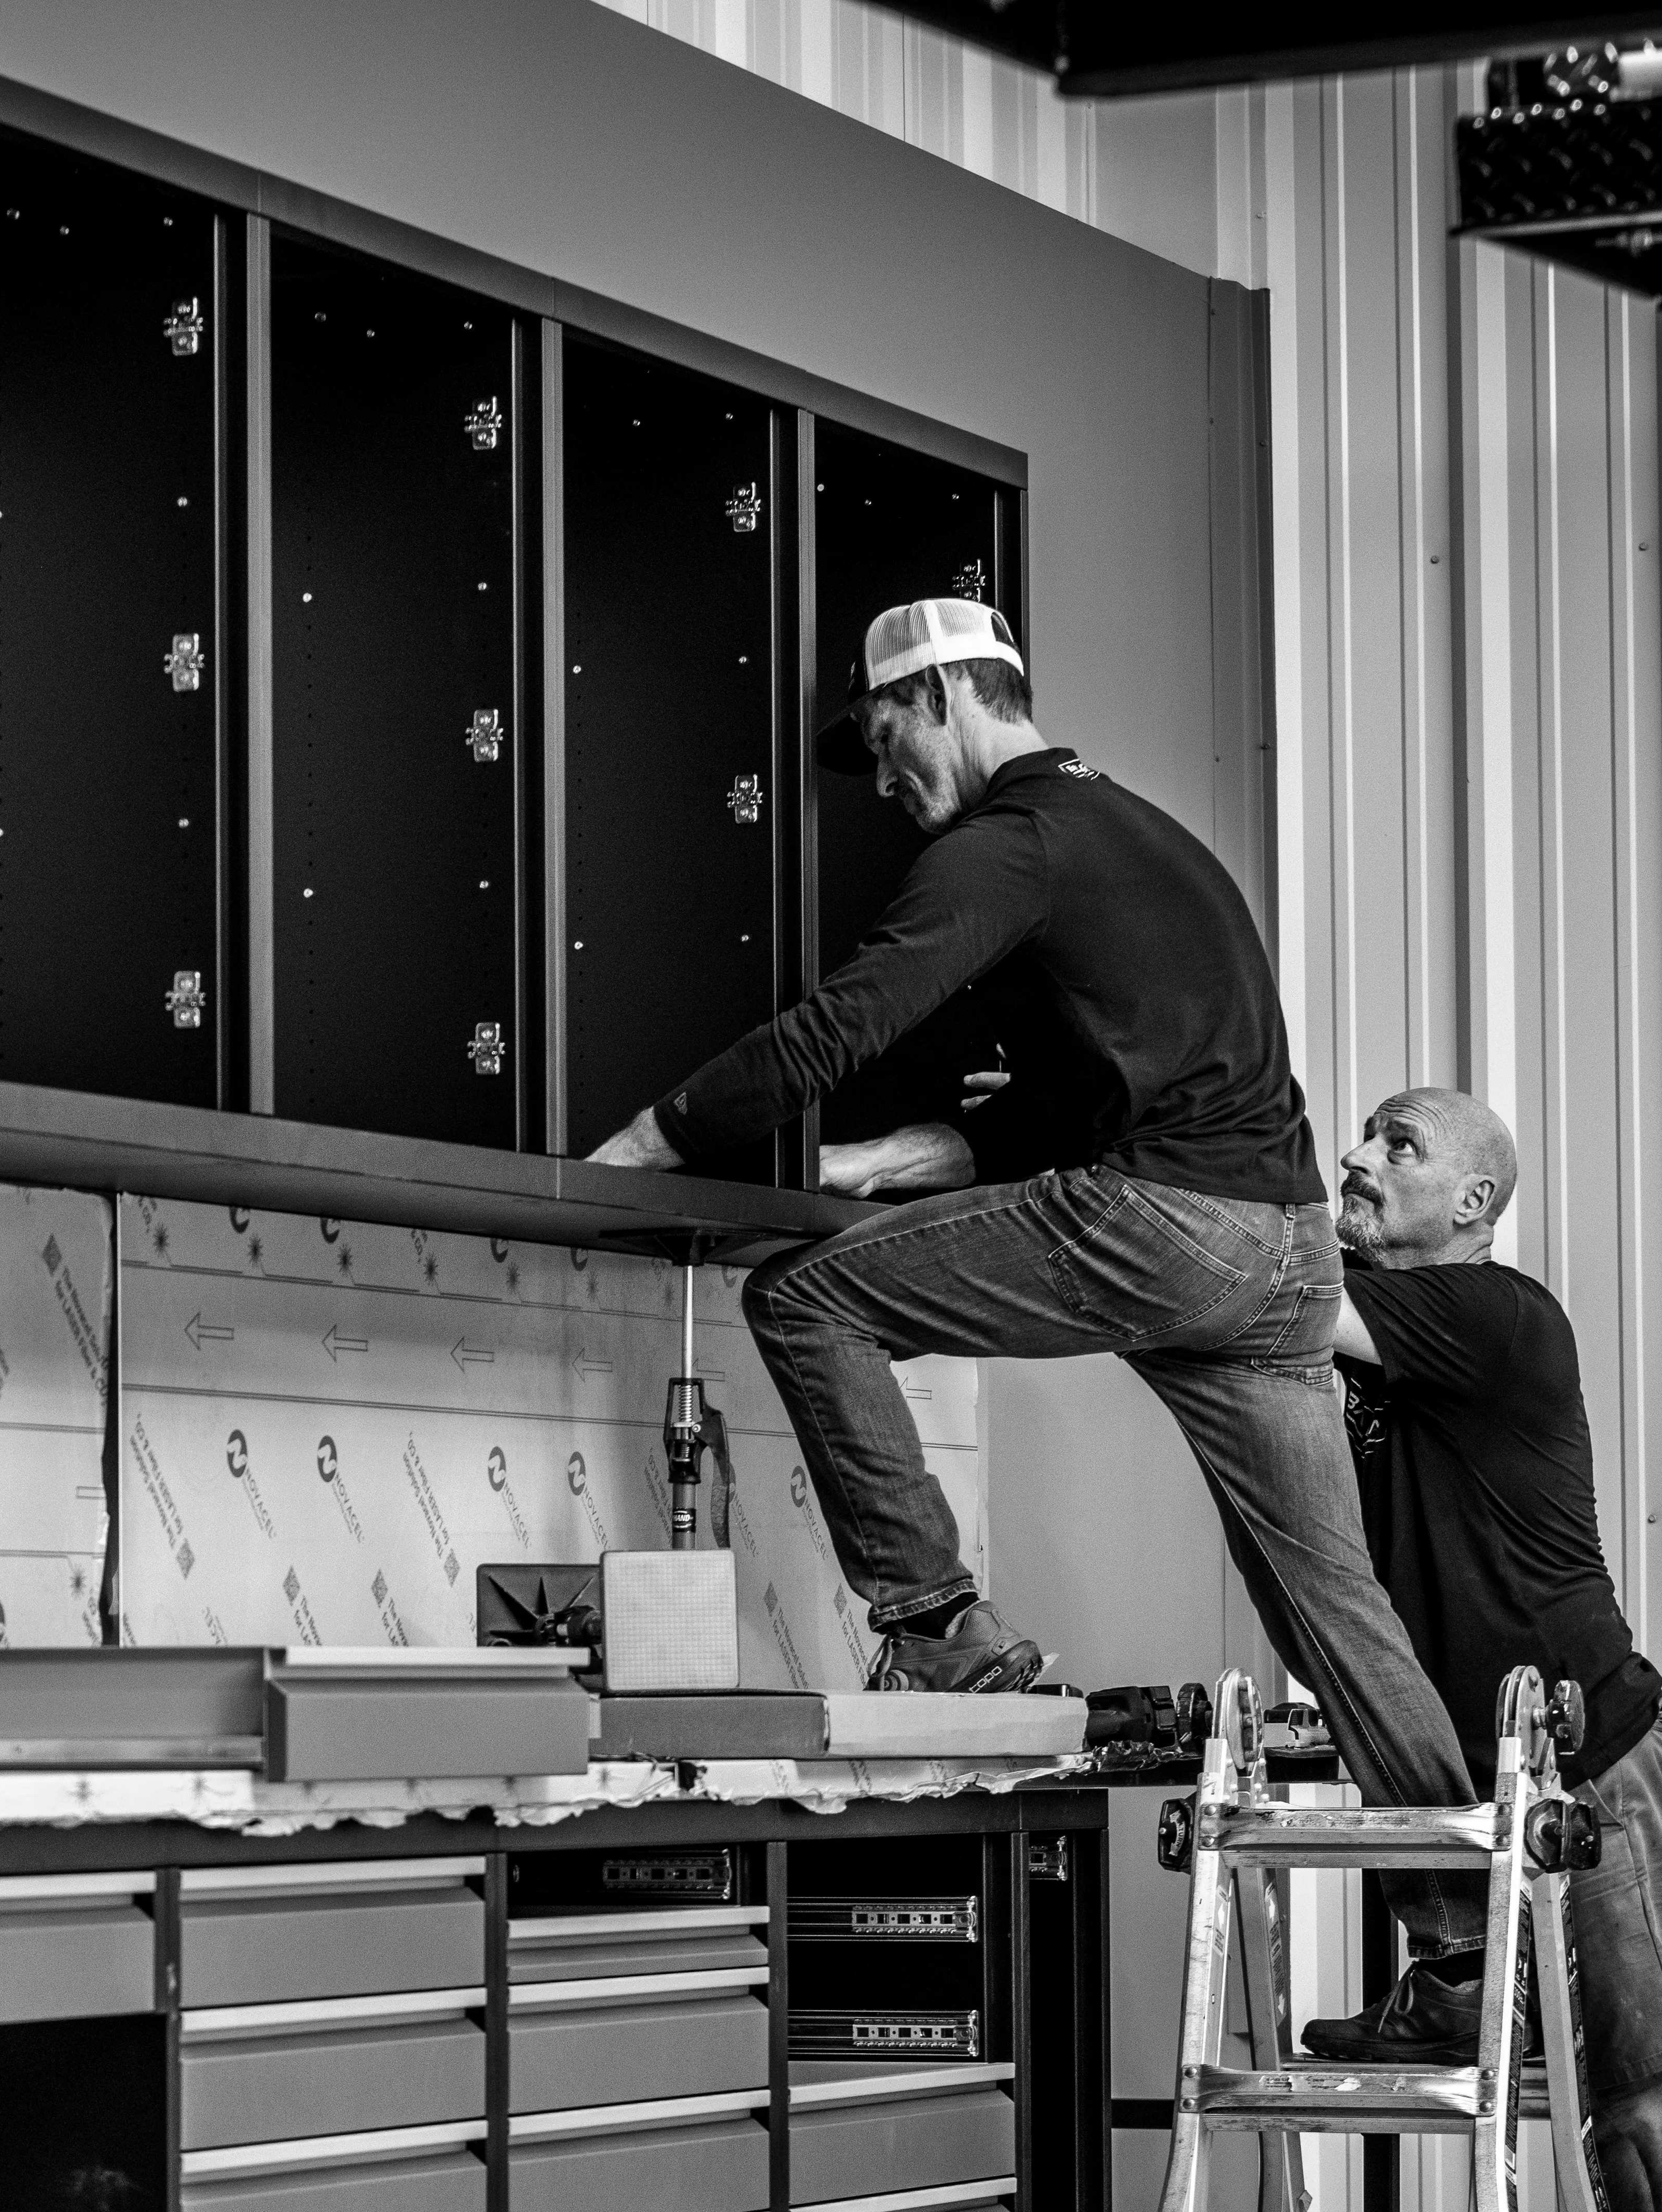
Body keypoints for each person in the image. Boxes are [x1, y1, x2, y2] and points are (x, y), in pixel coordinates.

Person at [587, 598, 1475, 1822]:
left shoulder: (1009, 844)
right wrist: (882, 1160)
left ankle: (937, 1624)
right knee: (1331, 1604)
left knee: (801, 1298)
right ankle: (1459, 1934)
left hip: (1175, 1226)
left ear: (942, 695)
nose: (881, 775)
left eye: (878, 728)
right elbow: (1084, 1095)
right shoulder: (1144, 836)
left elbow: (844, 1022)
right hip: (1287, 1259)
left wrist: (641, 1144)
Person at [1291, 1084, 1662, 2212]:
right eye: (1361, 1138)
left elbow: (1277, 1300)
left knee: (1657, 2103)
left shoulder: (1493, 1315)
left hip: (1595, 1769)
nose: (1362, 1161)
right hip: (1498, 1784)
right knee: (1604, 2109)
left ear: (1477, 1202)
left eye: (1401, 1146)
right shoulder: (1389, 1363)